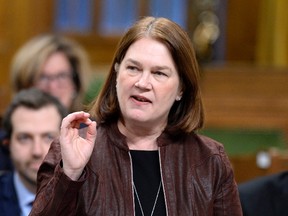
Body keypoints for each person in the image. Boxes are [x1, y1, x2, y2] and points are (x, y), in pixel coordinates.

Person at [30, 16, 242, 215]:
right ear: (116, 74)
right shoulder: (76, 142)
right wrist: (70, 174)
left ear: (181, 88)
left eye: (159, 73)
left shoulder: (209, 160)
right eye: (133, 68)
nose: (142, 83)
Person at [0, 88, 67, 216]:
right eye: (24, 138)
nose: (37, 151)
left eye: (48, 137)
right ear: (7, 144)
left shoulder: (88, 200)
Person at [10, 33, 92, 113]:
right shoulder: (8, 126)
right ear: (24, 86)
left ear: (75, 84)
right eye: (42, 78)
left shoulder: (89, 126)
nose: (52, 87)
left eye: (62, 76)